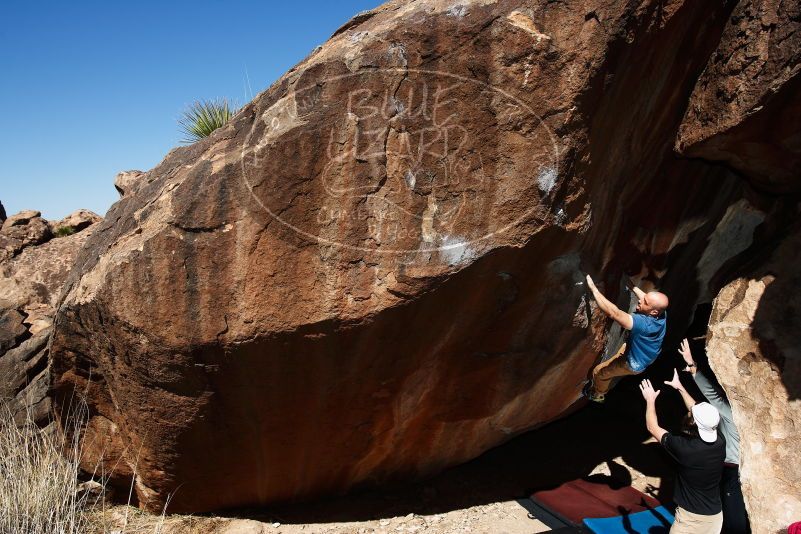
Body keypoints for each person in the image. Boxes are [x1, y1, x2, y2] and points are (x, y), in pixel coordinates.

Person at [677, 338, 750, 533]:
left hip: (730, 469)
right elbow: (700, 410)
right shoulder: (733, 416)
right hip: (727, 467)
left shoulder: (733, 415)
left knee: (733, 516)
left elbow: (713, 397)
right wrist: (681, 387)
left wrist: (693, 368)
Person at [640, 376, 726, 533]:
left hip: (691, 520)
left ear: (693, 423)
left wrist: (650, 399)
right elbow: (696, 410)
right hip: (715, 517)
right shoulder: (720, 441)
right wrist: (680, 387)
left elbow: (653, 428)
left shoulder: (686, 450)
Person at [583, 275, 669, 402]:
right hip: (646, 354)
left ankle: (598, 395)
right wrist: (630, 284)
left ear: (653, 312)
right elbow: (645, 298)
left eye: (644, 302)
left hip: (633, 364)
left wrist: (594, 290)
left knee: (599, 373)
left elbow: (614, 313)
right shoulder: (661, 313)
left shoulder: (644, 324)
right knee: (622, 352)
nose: (640, 301)